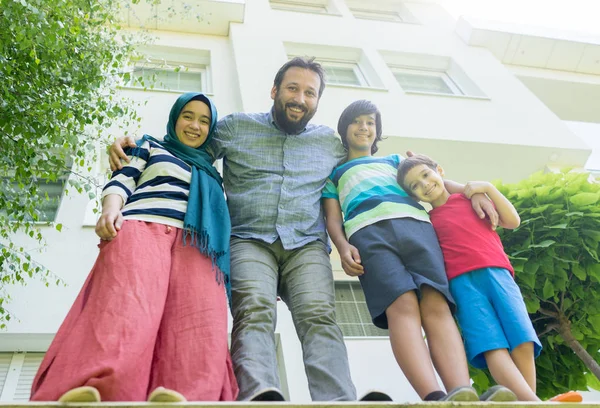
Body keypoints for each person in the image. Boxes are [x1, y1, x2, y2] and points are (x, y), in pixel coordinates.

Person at [108, 58, 497, 402]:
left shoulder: (329, 141)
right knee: (254, 312)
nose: (300, 98)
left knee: (319, 318)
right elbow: (186, 146)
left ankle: (338, 400)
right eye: (293, 88)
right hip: (248, 241)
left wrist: (467, 188)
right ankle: (259, 394)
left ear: (317, 101)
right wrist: (135, 146)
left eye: (310, 93)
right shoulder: (235, 128)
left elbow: (375, 167)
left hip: (307, 245)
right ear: (275, 90)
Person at [31, 92, 238, 402]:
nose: (195, 125)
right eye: (188, 116)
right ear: (175, 118)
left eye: (204, 121)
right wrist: (110, 210)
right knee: (125, 312)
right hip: (142, 228)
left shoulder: (212, 172)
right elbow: (122, 180)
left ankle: (187, 397)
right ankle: (98, 390)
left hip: (196, 244)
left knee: (198, 323)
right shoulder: (149, 145)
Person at [321, 100, 517, 402]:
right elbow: (333, 218)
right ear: (344, 129)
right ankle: (433, 395)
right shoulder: (334, 175)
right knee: (402, 307)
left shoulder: (397, 161)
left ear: (377, 131)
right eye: (357, 121)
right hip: (369, 236)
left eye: (370, 122)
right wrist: (342, 245)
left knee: (436, 304)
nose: (364, 127)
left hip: (418, 228)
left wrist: (474, 190)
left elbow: (437, 183)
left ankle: (462, 393)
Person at [396, 153, 543, 401]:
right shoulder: (426, 220)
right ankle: (534, 404)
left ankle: (527, 402)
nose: (424, 185)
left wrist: (486, 187)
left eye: (425, 175)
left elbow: (512, 221)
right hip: (462, 285)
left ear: (439, 170)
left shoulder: (471, 200)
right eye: (415, 186)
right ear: (413, 196)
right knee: (492, 346)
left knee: (523, 340)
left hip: (499, 274)